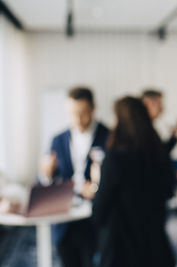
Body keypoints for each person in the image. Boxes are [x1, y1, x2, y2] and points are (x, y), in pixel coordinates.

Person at [92, 96, 175, 267]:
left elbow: (99, 213)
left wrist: (98, 181)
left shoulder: (114, 159)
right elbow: (169, 191)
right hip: (155, 249)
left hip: (121, 252)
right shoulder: (159, 154)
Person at [39, 86, 109, 267]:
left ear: (93, 109)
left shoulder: (109, 137)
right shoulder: (57, 140)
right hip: (64, 221)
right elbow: (46, 181)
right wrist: (46, 174)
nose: (77, 119)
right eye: (72, 113)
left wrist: (98, 186)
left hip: (95, 220)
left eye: (83, 113)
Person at [141, 89, 177, 154]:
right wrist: (173, 138)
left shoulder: (148, 125)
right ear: (147, 104)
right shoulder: (143, 128)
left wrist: (173, 136)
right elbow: (159, 156)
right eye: (159, 104)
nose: (162, 108)